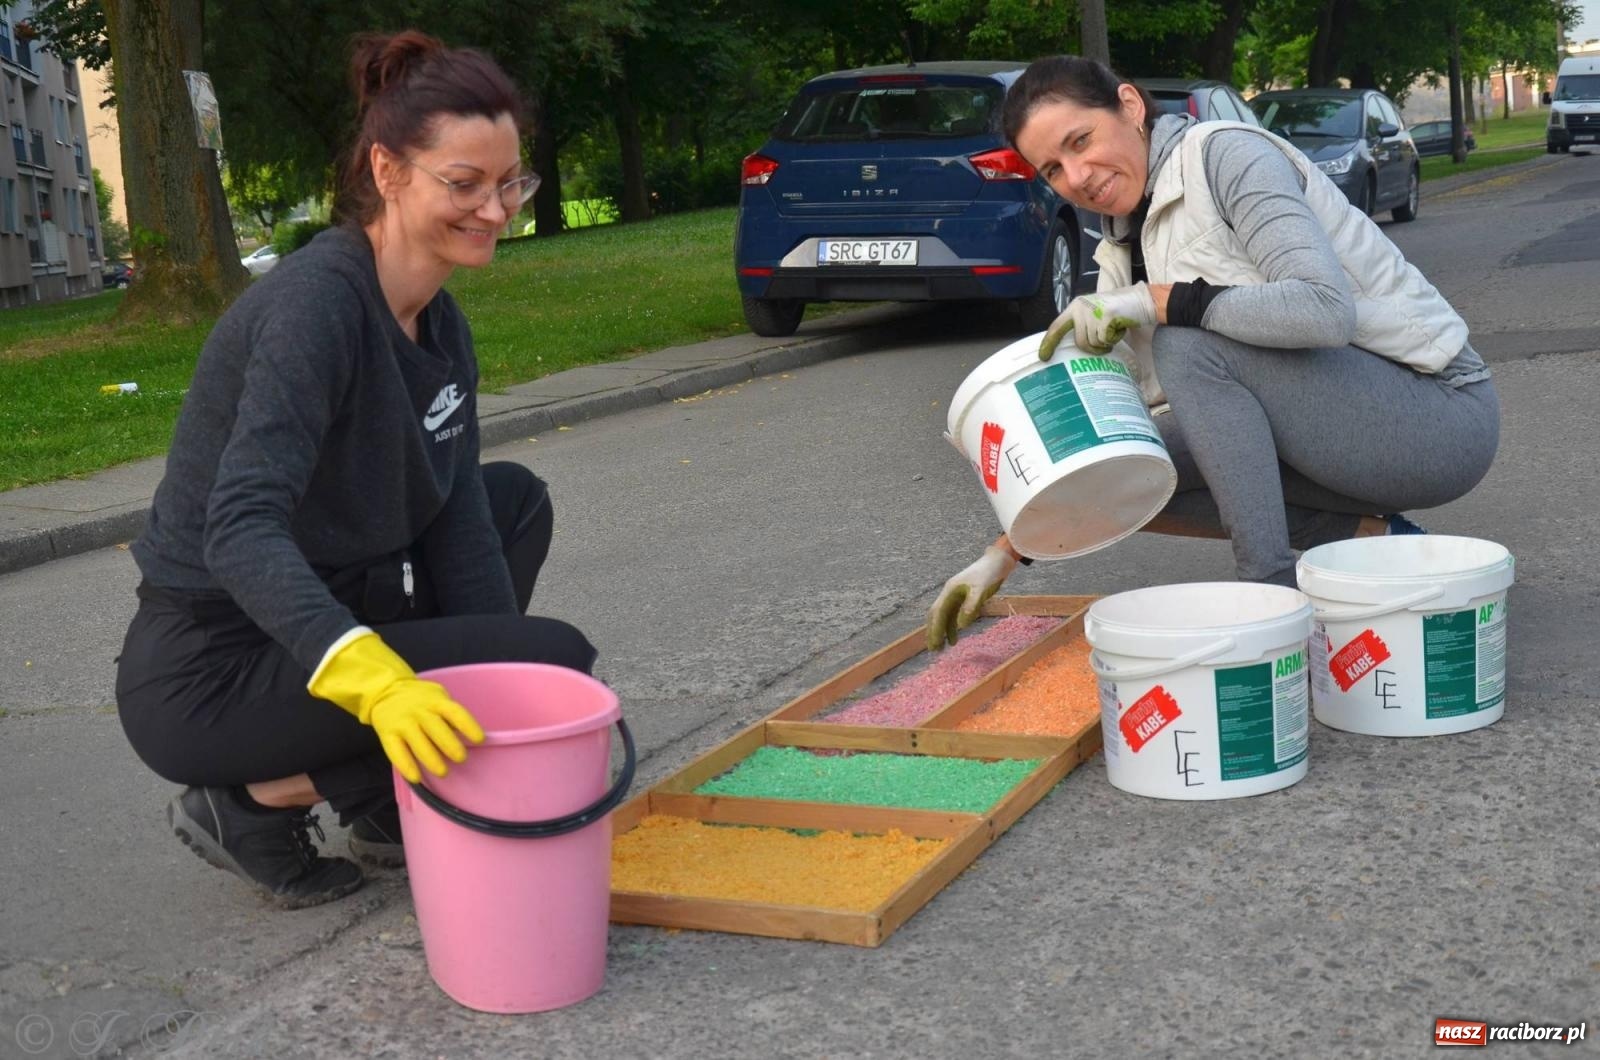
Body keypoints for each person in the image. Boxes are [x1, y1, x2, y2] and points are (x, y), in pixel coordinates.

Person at [114, 31, 596, 909]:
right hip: (210, 666)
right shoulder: (316, 308)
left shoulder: (440, 326)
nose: (494, 209)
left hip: (334, 590)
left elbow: (454, 517)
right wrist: (387, 686)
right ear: (387, 171)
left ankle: (388, 803)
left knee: (509, 506)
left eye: (508, 184)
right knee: (562, 660)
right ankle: (252, 801)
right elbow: (240, 528)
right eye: (464, 184)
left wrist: (498, 679)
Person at [926, 56, 1498, 650]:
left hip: (1437, 417)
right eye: (1053, 168)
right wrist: (1007, 551)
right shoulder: (1120, 246)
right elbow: (1117, 443)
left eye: (1081, 140)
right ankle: (1376, 541)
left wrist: (1155, 302)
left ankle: (1270, 599)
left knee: (1184, 340)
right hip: (1341, 437)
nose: (1078, 175)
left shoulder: (1225, 156)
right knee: (1133, 463)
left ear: (1129, 105)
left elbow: (1325, 310)